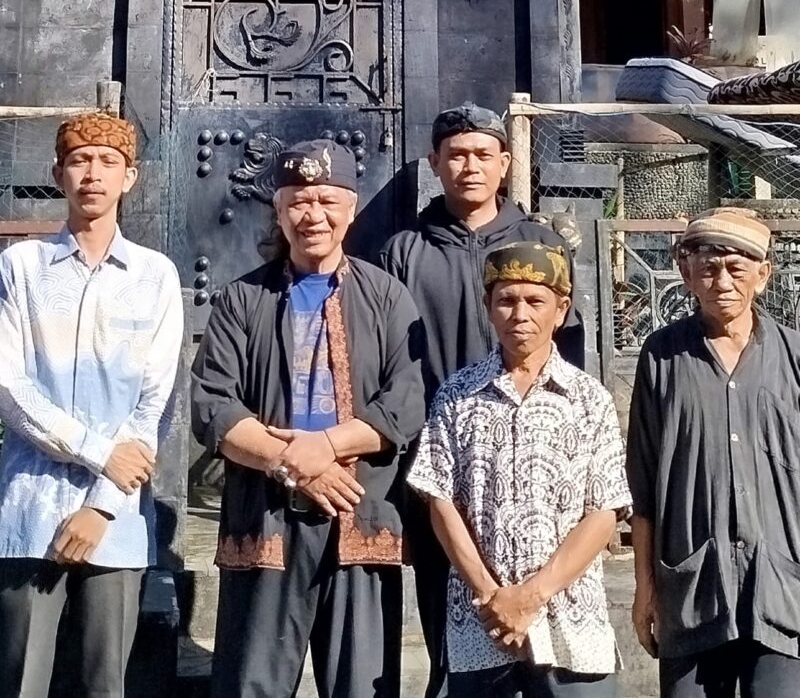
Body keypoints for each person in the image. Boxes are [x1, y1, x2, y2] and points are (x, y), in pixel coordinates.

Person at [191, 139, 425, 698]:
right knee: (251, 683)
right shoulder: (242, 299)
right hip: (266, 516)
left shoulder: (387, 297)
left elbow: (406, 401)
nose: (312, 215)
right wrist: (293, 462)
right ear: (278, 210)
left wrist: (326, 448)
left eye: (326, 201)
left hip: (359, 511)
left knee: (362, 684)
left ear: (350, 209)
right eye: (298, 201)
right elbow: (213, 403)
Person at [379, 102, 585, 697]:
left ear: (505, 163)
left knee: (545, 639)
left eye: (482, 154)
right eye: (456, 155)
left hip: (536, 473)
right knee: (452, 631)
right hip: (443, 467)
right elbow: (392, 364)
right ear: (434, 163)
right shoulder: (403, 252)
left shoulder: (541, 244)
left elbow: (570, 357)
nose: (469, 167)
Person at [0, 113, 184, 697]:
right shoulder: (20, 267)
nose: (93, 174)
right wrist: (100, 453)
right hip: (29, 510)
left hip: (115, 520)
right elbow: (8, 387)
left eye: (108, 162)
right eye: (79, 161)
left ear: (129, 177)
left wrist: (101, 506)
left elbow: (153, 404)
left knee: (104, 683)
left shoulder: (154, 276)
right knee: (21, 680)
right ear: (58, 173)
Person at [407, 241, 630, 697]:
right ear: (488, 307)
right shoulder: (457, 395)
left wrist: (531, 596)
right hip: (481, 624)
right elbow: (440, 500)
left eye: (535, 301)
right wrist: (492, 597)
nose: (520, 314)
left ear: (561, 309)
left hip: (569, 622)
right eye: (506, 300)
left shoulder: (590, 400)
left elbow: (604, 510)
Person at [627, 208, 800, 697]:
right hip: (692, 592)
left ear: (762, 276)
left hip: (782, 591)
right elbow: (642, 485)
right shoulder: (662, 356)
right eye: (708, 268)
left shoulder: (793, 356)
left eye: (736, 269)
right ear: (687, 275)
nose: (722, 282)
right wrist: (645, 589)